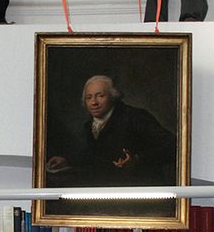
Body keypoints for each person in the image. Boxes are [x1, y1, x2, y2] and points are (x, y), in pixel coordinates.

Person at [46, 74, 176, 187]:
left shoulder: (135, 117)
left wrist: (137, 160)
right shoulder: (89, 125)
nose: (94, 102)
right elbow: (92, 156)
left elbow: (172, 146)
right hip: (104, 190)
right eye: (89, 97)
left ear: (113, 96)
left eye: (100, 96)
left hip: (139, 189)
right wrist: (67, 160)